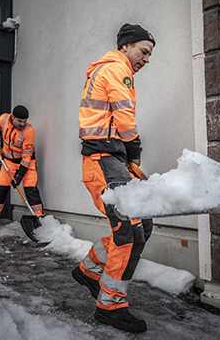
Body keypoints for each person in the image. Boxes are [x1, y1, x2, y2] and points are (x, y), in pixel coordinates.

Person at [74, 23, 155, 333]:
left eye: (149, 55)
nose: (146, 59)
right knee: (127, 230)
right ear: (126, 46)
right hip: (103, 159)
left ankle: (90, 270)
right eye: (143, 52)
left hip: (113, 160)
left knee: (141, 225)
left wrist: (127, 159)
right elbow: (124, 117)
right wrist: (135, 150)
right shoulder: (116, 69)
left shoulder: (116, 70)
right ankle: (110, 305)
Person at [0, 105, 45, 231]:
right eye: (19, 121)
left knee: (31, 191)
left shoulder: (28, 131)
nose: (22, 124)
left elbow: (27, 157)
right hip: (8, 161)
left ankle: (40, 220)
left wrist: (19, 176)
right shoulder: (3, 119)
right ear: (12, 117)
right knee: (0, 190)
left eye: (24, 121)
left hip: (27, 163)